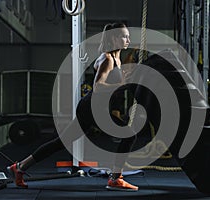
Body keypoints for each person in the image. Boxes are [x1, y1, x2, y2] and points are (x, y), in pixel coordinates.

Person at [8, 22, 138, 191]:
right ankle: (115, 179)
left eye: (128, 36)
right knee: (129, 135)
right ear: (113, 38)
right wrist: (122, 83)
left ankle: (19, 167)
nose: (128, 39)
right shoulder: (107, 58)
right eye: (124, 36)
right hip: (92, 108)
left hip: (96, 108)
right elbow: (98, 87)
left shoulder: (117, 58)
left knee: (61, 142)